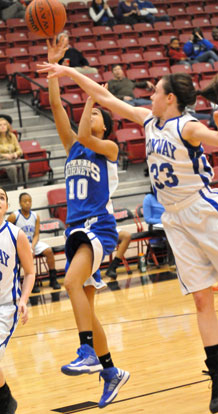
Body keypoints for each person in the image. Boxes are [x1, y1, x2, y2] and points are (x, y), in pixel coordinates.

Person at [38, 41, 218, 413]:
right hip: (172, 220)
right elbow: (97, 97)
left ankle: (91, 352)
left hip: (201, 210)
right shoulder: (145, 121)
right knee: (202, 298)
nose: (149, 93)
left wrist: (81, 90)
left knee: (74, 284)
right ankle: (215, 378)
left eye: (155, 91)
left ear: (170, 99)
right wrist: (67, 71)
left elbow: (97, 109)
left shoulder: (187, 127)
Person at [38, 37, 129, 409]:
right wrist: (53, 67)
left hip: (99, 227)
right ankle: (111, 372)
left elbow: (86, 133)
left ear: (105, 124)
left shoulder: (109, 149)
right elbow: (57, 104)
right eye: (88, 113)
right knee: (87, 308)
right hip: (76, 229)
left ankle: (87, 351)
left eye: (94, 114)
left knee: (70, 281)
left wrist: (93, 98)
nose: (88, 116)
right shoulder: (74, 146)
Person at [0, 186, 35, 414]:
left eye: (1, 197)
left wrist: (23, 299)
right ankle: (6, 402)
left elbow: (30, 272)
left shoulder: (15, 234)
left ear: (6, 205)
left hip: (4, 308)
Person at [7, 192, 60, 293]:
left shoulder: (36, 216)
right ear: (20, 203)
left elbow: (36, 234)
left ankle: (53, 279)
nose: (27, 203)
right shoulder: (14, 216)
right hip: (20, 244)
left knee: (49, 251)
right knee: (29, 255)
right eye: (25, 201)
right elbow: (7, 230)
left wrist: (32, 246)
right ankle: (32, 283)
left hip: (33, 242)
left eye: (29, 201)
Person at [143, 187, 175, 266]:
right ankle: (172, 263)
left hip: (168, 224)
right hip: (155, 227)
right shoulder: (148, 198)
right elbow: (147, 219)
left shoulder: (167, 197)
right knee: (170, 235)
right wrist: (163, 221)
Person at [0, 117, 28, 190]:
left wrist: (16, 154)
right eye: (0, 125)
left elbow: (19, 150)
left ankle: (22, 186)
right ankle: (15, 187)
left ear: (7, 126)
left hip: (13, 158)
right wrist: (4, 155)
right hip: (2, 160)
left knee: (25, 163)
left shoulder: (12, 136)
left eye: (4, 125)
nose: (3, 126)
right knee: (12, 167)